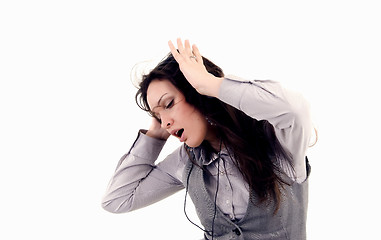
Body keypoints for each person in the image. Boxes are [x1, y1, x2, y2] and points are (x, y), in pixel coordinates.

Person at [102, 38, 314, 240]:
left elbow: (295, 110)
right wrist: (156, 134)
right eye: (157, 116)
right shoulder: (185, 161)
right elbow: (116, 200)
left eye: (168, 104)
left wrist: (211, 85)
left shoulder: (278, 142)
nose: (165, 122)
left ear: (196, 93)